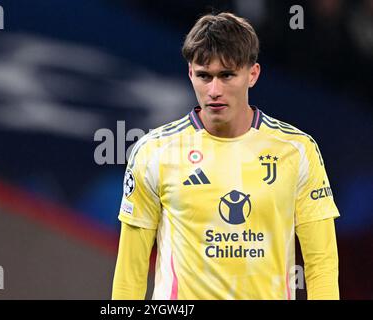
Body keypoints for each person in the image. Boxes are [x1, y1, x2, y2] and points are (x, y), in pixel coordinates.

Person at [112, 12, 340, 300]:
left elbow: (321, 265)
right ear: (190, 74)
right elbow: (130, 272)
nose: (214, 91)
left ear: (253, 74)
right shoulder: (153, 152)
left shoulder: (297, 150)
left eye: (227, 75)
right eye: (204, 76)